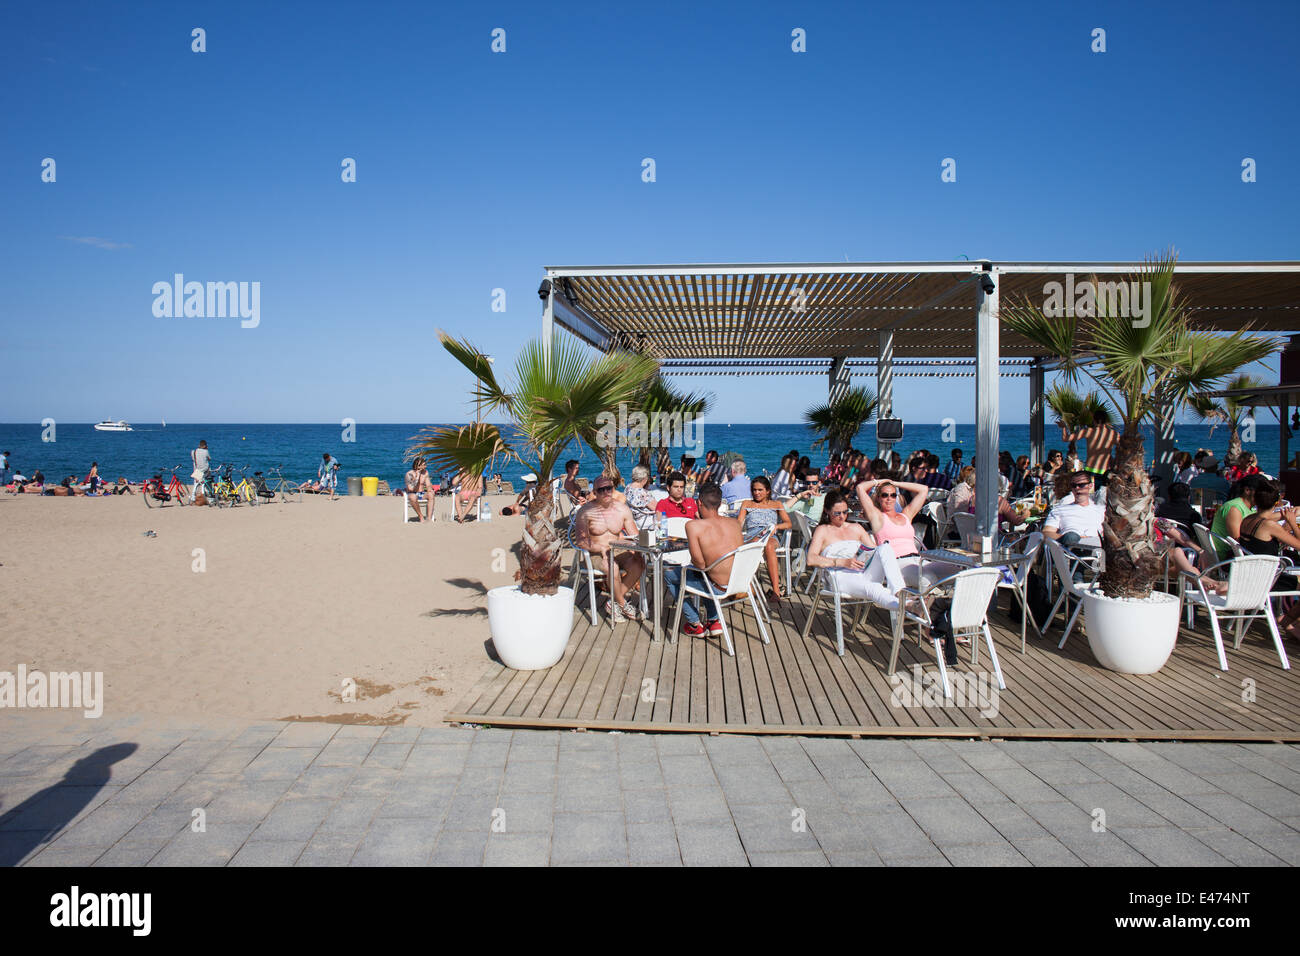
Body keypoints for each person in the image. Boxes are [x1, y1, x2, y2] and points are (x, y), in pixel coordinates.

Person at [804, 490, 906, 612]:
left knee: (884, 547)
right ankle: (909, 605)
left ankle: (900, 591)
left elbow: (875, 551)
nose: (842, 516)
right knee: (874, 588)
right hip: (839, 576)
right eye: (837, 513)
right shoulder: (823, 530)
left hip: (862, 571)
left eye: (845, 512)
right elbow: (811, 559)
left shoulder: (856, 528)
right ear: (827, 511)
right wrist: (842, 562)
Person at [662, 482, 742, 638]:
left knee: (669, 573)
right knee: (704, 574)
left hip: (716, 586)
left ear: (699, 502)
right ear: (719, 503)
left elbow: (699, 563)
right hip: (737, 583)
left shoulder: (694, 526)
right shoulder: (735, 523)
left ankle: (694, 623)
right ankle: (713, 621)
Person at [575, 474, 644, 623]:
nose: (606, 492)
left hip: (617, 549)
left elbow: (634, 535)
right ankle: (623, 604)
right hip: (596, 553)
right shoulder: (585, 511)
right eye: (601, 490)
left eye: (609, 488)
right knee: (612, 567)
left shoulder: (622, 509)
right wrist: (599, 548)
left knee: (639, 563)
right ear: (594, 492)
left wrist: (639, 548)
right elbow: (580, 541)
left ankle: (613, 602)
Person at [1233, 483, 1300, 638]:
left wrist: (1288, 516)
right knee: (1297, 583)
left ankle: (1287, 621)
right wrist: (1291, 523)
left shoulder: (1248, 519)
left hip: (1251, 575)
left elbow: (1266, 536)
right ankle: (1287, 622)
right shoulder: (1269, 525)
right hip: (1265, 580)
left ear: (1255, 501)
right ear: (1277, 502)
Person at [856, 477, 940, 588]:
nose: (889, 498)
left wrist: (895, 483)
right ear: (878, 498)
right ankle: (929, 603)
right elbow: (860, 488)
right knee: (928, 578)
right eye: (885, 495)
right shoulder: (877, 517)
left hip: (918, 559)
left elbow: (923, 489)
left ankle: (938, 602)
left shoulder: (906, 515)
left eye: (893, 495)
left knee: (956, 573)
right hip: (898, 564)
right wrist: (878, 482)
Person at [736, 476, 792, 604]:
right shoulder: (747, 504)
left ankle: (776, 591)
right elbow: (739, 523)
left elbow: (788, 523)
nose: (757, 493)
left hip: (770, 534)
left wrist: (776, 527)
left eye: (760, 490)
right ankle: (745, 585)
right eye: (754, 490)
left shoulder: (776, 504)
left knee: (769, 546)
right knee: (753, 542)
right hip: (752, 535)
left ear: (768, 491)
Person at [1042, 472, 1105, 547]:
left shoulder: (1101, 510)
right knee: (1072, 536)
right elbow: (1047, 532)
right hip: (1071, 550)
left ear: (1090, 486)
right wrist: (1067, 538)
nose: (1077, 488)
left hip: (1098, 548)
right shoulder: (1059, 510)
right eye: (1074, 486)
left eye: (1081, 485)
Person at [1209, 474, 1262, 560]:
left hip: (1235, 555)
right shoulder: (1234, 508)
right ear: (1247, 490)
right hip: (1227, 558)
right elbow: (1237, 542)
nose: (1263, 494)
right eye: (1261, 491)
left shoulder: (1251, 508)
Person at [1060, 411, 1119, 486]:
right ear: (1105, 421)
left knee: (1089, 496)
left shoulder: (1089, 431)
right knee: (1103, 496)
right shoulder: (1113, 434)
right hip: (1105, 472)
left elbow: (1066, 438)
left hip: (1090, 470)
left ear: (1095, 420)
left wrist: (1064, 427)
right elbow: (1123, 449)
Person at [623, 465, 657, 530]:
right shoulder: (643, 494)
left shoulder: (628, 487)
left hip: (634, 519)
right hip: (645, 520)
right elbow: (658, 508)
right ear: (644, 479)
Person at [405, 456, 433, 522]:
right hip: (412, 493)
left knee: (431, 494)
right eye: (424, 465)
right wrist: (417, 477)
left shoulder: (425, 472)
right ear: (418, 466)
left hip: (421, 494)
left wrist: (429, 489)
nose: (425, 466)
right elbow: (410, 489)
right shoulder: (409, 474)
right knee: (413, 497)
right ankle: (421, 516)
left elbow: (428, 484)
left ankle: (429, 518)